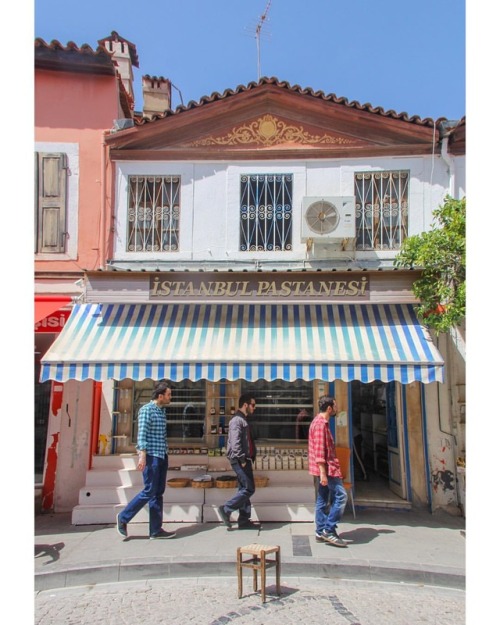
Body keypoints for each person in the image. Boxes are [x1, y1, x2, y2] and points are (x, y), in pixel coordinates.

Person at [116, 380, 176, 540]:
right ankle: (123, 517)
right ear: (161, 395)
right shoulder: (146, 410)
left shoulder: (161, 411)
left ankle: (155, 530)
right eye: (169, 394)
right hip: (151, 456)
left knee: (158, 493)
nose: (171, 397)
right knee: (149, 491)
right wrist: (142, 456)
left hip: (162, 454)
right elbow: (141, 435)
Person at [308, 395, 348, 547]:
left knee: (323, 499)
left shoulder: (322, 423)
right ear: (329, 408)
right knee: (341, 496)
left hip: (327, 468)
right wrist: (323, 472)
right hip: (328, 469)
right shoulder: (320, 424)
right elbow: (319, 451)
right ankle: (329, 530)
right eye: (335, 406)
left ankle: (320, 531)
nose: (337, 408)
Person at [218, 393, 260, 529]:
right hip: (239, 459)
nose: (254, 408)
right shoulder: (237, 420)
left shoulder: (242, 419)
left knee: (243, 488)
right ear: (245, 405)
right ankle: (226, 509)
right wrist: (242, 458)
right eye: (253, 405)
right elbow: (235, 442)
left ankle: (244, 520)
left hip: (244, 459)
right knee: (249, 488)